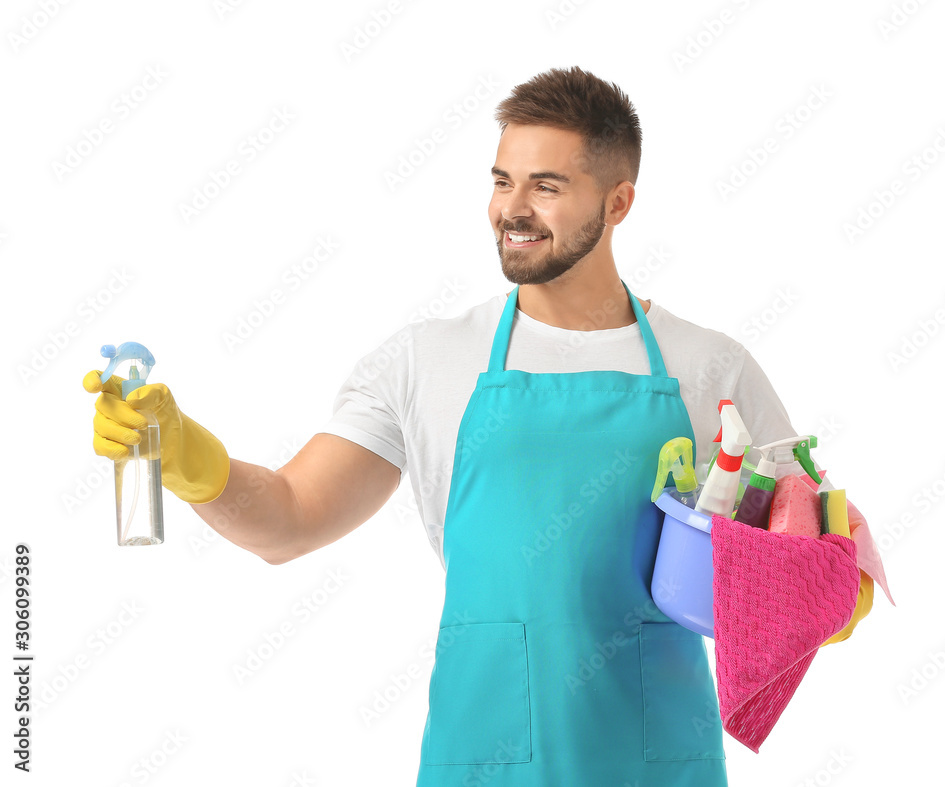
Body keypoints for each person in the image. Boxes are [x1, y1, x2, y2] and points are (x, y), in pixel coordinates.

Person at [85, 66, 823, 785]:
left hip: (653, 762)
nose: (513, 208)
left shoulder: (710, 369)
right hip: (484, 756)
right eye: (502, 180)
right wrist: (183, 456)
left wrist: (823, 593)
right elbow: (288, 518)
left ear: (619, 201)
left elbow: (808, 564)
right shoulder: (426, 360)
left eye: (547, 185)